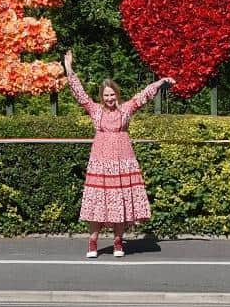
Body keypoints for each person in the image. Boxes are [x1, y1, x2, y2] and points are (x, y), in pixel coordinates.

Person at [64, 51, 175, 258]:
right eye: (106, 95)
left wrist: (159, 83)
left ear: (117, 94)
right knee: (97, 202)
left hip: (123, 161)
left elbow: (142, 97)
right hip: (100, 162)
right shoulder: (95, 110)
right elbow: (79, 93)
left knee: (120, 202)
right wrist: (69, 68)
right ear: (102, 97)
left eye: (112, 94)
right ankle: (93, 242)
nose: (109, 98)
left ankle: (117, 242)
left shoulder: (125, 110)